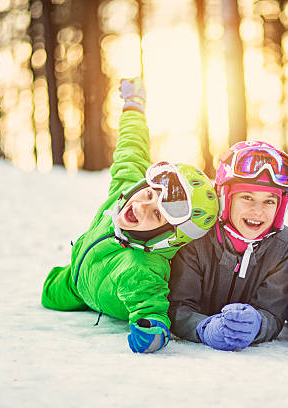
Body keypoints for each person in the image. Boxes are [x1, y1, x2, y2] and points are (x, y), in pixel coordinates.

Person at [41, 78, 219, 354]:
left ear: (165, 238)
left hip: (89, 297)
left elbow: (151, 304)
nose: (141, 206)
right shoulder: (124, 192)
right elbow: (131, 149)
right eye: (149, 194)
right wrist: (134, 107)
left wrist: (152, 328)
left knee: (54, 296)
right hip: (73, 277)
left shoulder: (143, 267)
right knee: (47, 295)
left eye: (157, 215)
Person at [168, 141, 288, 351]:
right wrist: (203, 327)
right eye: (247, 197)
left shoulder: (283, 246)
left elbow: (273, 313)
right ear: (226, 199)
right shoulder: (198, 238)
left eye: (269, 201)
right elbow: (178, 306)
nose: (258, 211)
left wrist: (258, 323)